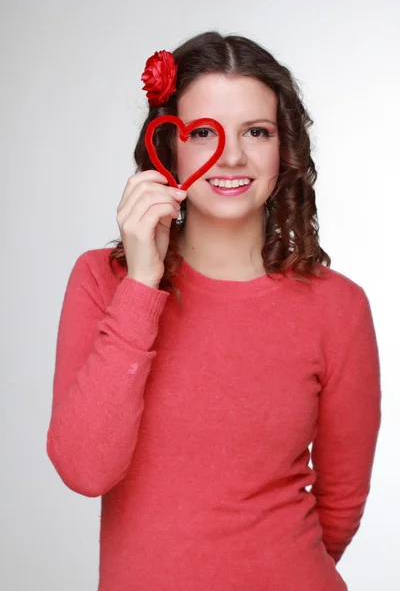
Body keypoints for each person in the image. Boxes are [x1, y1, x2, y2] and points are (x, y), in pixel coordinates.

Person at [46, 31, 381, 591]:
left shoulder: (338, 306)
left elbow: (341, 502)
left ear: (285, 149)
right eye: (203, 132)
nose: (232, 155)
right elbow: (85, 469)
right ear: (166, 145)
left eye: (257, 131)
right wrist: (144, 283)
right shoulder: (102, 281)